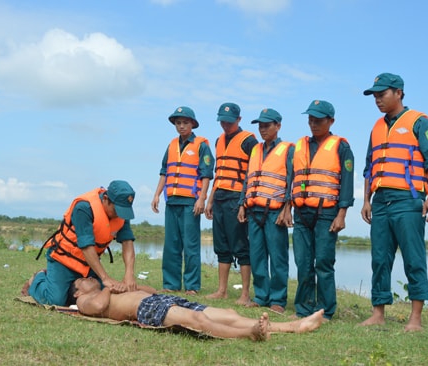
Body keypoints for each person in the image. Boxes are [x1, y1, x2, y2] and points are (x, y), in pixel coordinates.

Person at [359, 73, 428, 331]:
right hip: (381, 200)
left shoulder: (420, 122)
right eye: (375, 95)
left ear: (399, 93)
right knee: (379, 258)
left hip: (408, 199)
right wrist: (366, 200)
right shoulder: (376, 127)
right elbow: (369, 168)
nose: (377, 99)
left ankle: (415, 318)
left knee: (413, 258)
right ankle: (378, 313)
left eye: (382, 94)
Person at [69, 277, 325, 341]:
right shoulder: (85, 301)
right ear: (78, 291)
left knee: (227, 314)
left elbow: (150, 291)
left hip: (159, 299)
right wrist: (107, 287)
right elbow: (100, 306)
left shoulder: (107, 288)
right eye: (83, 280)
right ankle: (250, 332)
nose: (88, 278)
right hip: (145, 310)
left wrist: (128, 285)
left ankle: (295, 325)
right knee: (195, 319)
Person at [22, 180, 139, 306]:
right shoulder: (84, 208)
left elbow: (127, 243)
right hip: (64, 260)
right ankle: (38, 279)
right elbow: (86, 246)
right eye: (117, 210)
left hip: (89, 265)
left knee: (101, 294)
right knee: (56, 300)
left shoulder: (122, 212)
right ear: (106, 199)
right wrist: (105, 278)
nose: (119, 215)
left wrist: (129, 274)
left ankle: (57, 282)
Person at [289, 100, 354, 321]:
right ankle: (303, 309)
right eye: (310, 119)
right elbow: (292, 178)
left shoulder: (341, 147)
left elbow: (347, 182)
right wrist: (287, 208)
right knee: (303, 262)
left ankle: (324, 310)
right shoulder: (299, 146)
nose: (313, 123)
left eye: (318, 119)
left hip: (327, 213)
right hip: (301, 213)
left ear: (331, 121)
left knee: (324, 262)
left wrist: (342, 214)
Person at [151, 106, 215, 295]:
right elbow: (164, 171)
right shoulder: (171, 145)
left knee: (191, 245)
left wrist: (201, 199)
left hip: (190, 202)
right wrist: (156, 194)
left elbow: (206, 175)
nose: (181, 126)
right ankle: (171, 284)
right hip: (172, 201)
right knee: (171, 244)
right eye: (178, 123)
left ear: (193, 124)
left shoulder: (201, 145)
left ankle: (192, 286)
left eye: (185, 123)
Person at [237, 108, 295, 314]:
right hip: (254, 211)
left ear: (278, 126)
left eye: (267, 125)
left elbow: (292, 181)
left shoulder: (288, 150)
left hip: (275, 212)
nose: (263, 129)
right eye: (260, 125)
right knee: (257, 255)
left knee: (278, 257)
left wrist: (288, 208)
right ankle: (261, 295)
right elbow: (248, 178)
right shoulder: (255, 150)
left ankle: (278, 299)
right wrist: (242, 203)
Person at [204, 102, 258, 305]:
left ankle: (245, 293)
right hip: (219, 198)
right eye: (222, 121)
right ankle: (222, 290)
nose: (225, 125)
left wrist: (244, 202)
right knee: (221, 245)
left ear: (239, 120)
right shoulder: (219, 140)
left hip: (237, 198)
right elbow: (218, 173)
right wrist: (210, 199)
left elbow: (253, 173)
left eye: (229, 121)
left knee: (241, 245)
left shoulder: (249, 141)